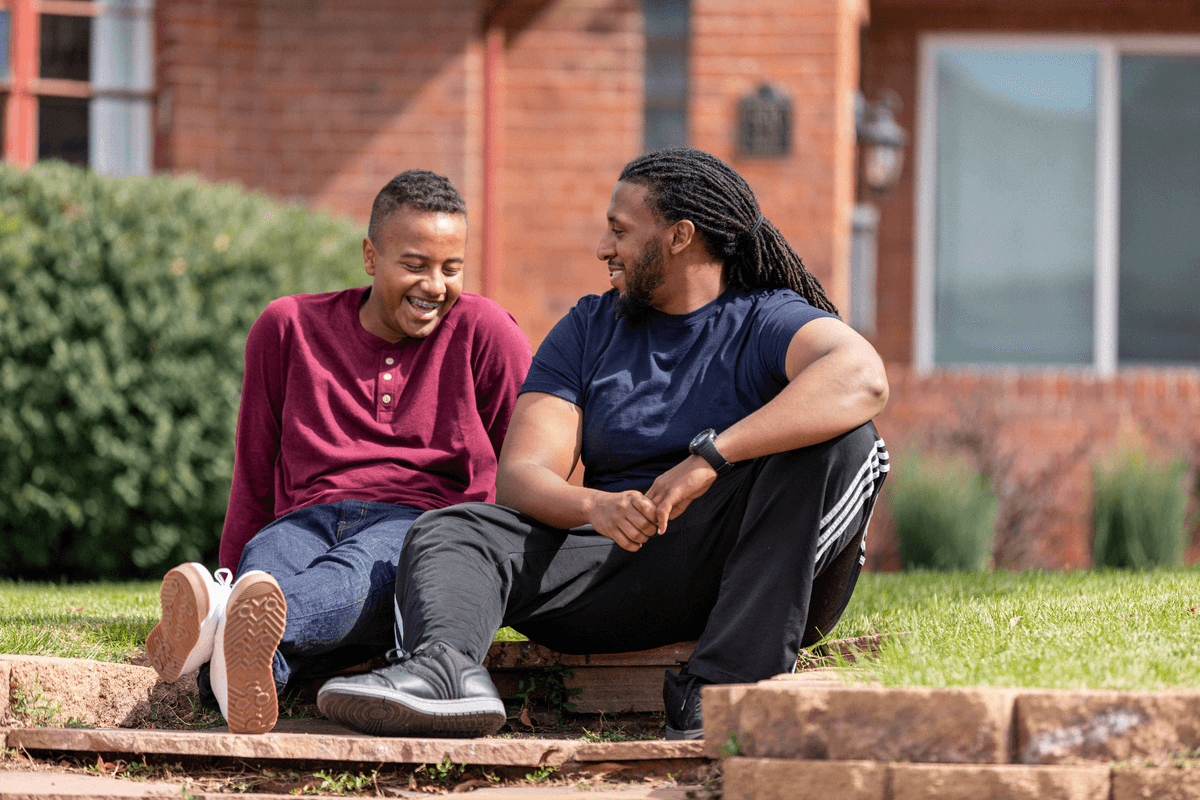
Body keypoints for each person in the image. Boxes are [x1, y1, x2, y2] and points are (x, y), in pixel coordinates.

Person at [316, 148, 890, 740]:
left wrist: (710, 459)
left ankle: (722, 686)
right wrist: (597, 506)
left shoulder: (764, 318)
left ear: (679, 236)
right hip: (613, 564)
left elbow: (862, 376)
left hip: (749, 565)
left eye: (620, 230)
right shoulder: (591, 327)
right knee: (453, 529)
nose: (602, 248)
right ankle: (443, 671)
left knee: (842, 441)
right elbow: (522, 474)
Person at [144, 170, 532, 735]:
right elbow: (252, 475)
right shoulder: (288, 328)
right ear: (371, 257)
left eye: (451, 268)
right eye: (415, 265)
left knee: (351, 575)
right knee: (265, 575)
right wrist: (233, 565)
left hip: (418, 525)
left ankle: (211, 623)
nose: (435, 286)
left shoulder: (485, 331)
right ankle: (237, 650)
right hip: (305, 519)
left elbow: (530, 460)